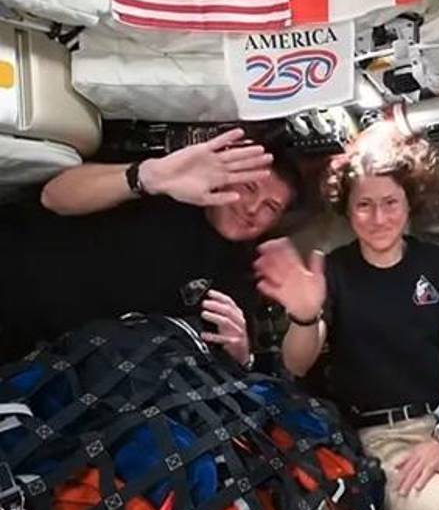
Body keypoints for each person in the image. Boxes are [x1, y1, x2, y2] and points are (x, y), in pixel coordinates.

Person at [253, 126, 439, 510]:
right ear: (347, 209)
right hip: (386, 439)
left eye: (390, 203)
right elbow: (297, 362)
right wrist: (304, 315)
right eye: (364, 205)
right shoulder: (334, 272)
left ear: (409, 203)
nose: (378, 218)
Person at [0, 127, 297, 367]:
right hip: (14, 265)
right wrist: (147, 177)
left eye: (270, 207)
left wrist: (241, 357)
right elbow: (54, 196)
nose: (253, 208)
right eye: (249, 188)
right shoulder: (170, 181)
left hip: (39, 361)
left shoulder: (239, 276)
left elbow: (223, 357)